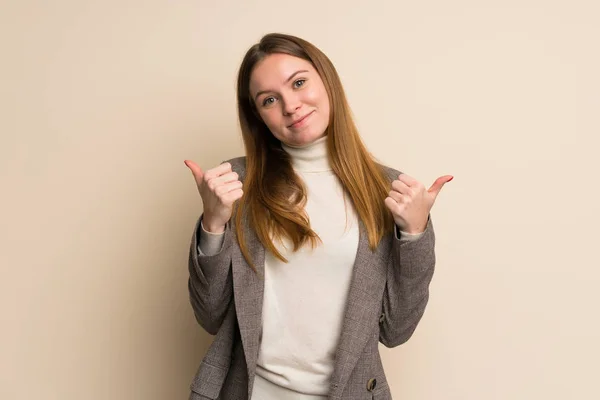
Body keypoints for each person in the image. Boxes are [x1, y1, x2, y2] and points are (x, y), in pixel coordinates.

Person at [184, 32, 452, 400]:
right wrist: (213, 225)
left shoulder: (388, 191)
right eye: (269, 100)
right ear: (258, 116)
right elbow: (210, 316)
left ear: (326, 80)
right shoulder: (235, 183)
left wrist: (415, 235)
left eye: (298, 83)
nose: (291, 106)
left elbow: (397, 330)